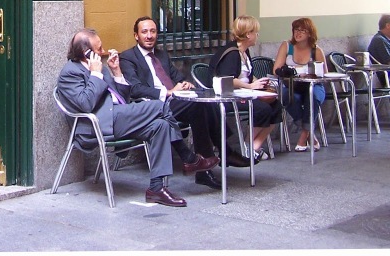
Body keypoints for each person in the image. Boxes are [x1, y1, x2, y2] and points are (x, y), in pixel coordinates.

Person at [56, 28, 219, 207]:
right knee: (160, 106)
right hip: (97, 125)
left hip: (119, 117)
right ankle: (189, 158)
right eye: (98, 48)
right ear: (86, 52)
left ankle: (156, 189)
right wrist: (95, 74)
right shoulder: (70, 73)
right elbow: (86, 104)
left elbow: (122, 99)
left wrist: (116, 73)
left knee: (159, 125)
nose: (103, 51)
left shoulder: (99, 67)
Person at [119, 17, 251, 191]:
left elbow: (177, 77)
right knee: (199, 105)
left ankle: (213, 161)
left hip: (176, 101)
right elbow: (135, 89)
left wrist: (185, 84)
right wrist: (167, 92)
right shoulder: (128, 57)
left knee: (204, 103)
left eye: (153, 31)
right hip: (154, 106)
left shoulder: (161, 55)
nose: (149, 36)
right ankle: (221, 156)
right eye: (144, 32)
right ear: (136, 35)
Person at [210, 15, 282, 162]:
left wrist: (260, 83)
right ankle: (248, 148)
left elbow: (247, 75)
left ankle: (252, 147)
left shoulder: (245, 51)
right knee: (263, 109)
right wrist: (250, 86)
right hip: (230, 96)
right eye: (256, 32)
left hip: (245, 94)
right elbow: (228, 79)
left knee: (276, 106)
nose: (257, 36)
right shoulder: (232, 53)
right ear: (248, 34)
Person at [273, 17, 326, 152]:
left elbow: (324, 74)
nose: (298, 33)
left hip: (314, 86)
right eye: (296, 30)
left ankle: (303, 136)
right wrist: (292, 72)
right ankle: (309, 133)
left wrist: (312, 74)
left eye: (302, 30)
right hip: (293, 86)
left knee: (312, 97)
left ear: (310, 33)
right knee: (287, 96)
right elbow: (276, 70)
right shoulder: (286, 46)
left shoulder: (316, 50)